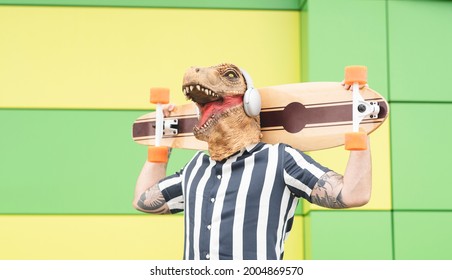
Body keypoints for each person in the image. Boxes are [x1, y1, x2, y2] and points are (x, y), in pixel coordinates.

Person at [133, 63, 372, 260]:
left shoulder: (280, 159)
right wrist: (163, 141)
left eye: (228, 75)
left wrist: (359, 126)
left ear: (251, 101)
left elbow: (351, 194)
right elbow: (144, 201)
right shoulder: (195, 167)